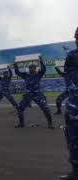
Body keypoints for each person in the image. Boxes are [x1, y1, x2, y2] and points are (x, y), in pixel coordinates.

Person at [59, 27, 78, 180]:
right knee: (73, 140)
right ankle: (76, 172)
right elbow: (69, 75)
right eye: (77, 37)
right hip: (74, 107)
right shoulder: (72, 56)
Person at [15, 57, 54, 129]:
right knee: (19, 109)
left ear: (35, 68)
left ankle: (50, 124)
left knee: (46, 108)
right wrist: (15, 64)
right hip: (28, 95)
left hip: (37, 94)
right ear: (29, 69)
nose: (32, 69)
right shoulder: (25, 75)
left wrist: (41, 61)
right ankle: (21, 123)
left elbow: (43, 69)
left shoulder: (38, 74)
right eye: (30, 68)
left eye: (33, 67)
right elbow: (17, 72)